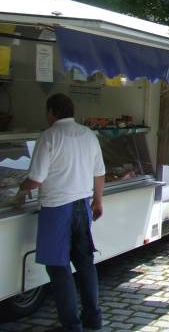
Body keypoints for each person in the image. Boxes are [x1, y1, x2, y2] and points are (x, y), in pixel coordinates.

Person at [16, 93, 105, 332]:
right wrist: (98, 201)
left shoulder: (49, 136)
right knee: (85, 265)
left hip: (57, 209)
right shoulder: (88, 134)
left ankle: (71, 325)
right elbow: (99, 172)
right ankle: (93, 319)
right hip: (82, 206)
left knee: (59, 268)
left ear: (51, 113)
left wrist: (19, 191)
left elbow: (35, 179)